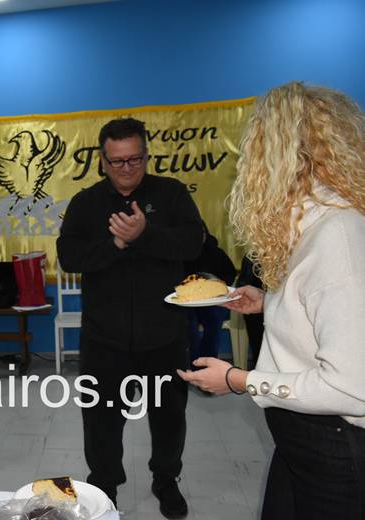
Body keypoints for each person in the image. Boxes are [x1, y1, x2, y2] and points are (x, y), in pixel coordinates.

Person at [178, 82, 365, 519]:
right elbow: (325, 312)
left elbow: (353, 388)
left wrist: (240, 380)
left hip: (337, 446)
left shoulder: (338, 236)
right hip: (303, 438)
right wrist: (269, 302)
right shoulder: (318, 226)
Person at [57, 117, 203, 518]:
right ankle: (104, 487)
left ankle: (166, 479)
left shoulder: (171, 194)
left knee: (169, 417)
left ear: (146, 156)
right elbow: (69, 256)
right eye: (117, 161)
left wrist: (145, 235)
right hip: (104, 339)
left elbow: (194, 243)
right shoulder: (86, 203)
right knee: (101, 422)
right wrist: (117, 242)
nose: (126, 168)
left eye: (135, 159)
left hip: (164, 335)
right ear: (102, 160)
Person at [185, 222, 236, 365]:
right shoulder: (183, 256)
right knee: (189, 323)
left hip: (214, 301)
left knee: (213, 319)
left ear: (205, 234)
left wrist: (215, 286)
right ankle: (195, 363)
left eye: (200, 233)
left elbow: (230, 275)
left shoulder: (217, 253)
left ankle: (208, 362)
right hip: (188, 303)